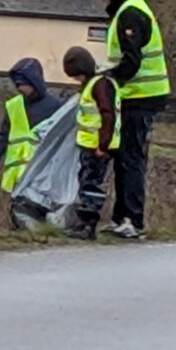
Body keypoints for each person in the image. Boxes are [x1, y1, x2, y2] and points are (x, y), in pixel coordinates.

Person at [90, 0, 170, 239]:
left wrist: (110, 79)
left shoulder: (131, 15)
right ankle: (121, 217)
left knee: (132, 159)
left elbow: (132, 62)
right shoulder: (130, 9)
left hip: (141, 97)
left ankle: (132, 220)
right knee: (125, 157)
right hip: (135, 97)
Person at [0, 58, 62, 215]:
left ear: (34, 82)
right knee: (18, 214)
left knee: (37, 213)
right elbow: (3, 136)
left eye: (22, 84)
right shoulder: (14, 106)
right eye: (17, 85)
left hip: (42, 174)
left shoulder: (55, 107)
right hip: (17, 177)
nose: (20, 88)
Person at [61, 47, 120, 240]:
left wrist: (102, 145)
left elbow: (107, 114)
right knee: (86, 182)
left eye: (76, 75)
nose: (76, 80)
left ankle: (88, 226)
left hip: (98, 146)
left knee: (91, 184)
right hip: (92, 145)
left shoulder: (100, 85)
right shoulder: (98, 83)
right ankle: (84, 223)